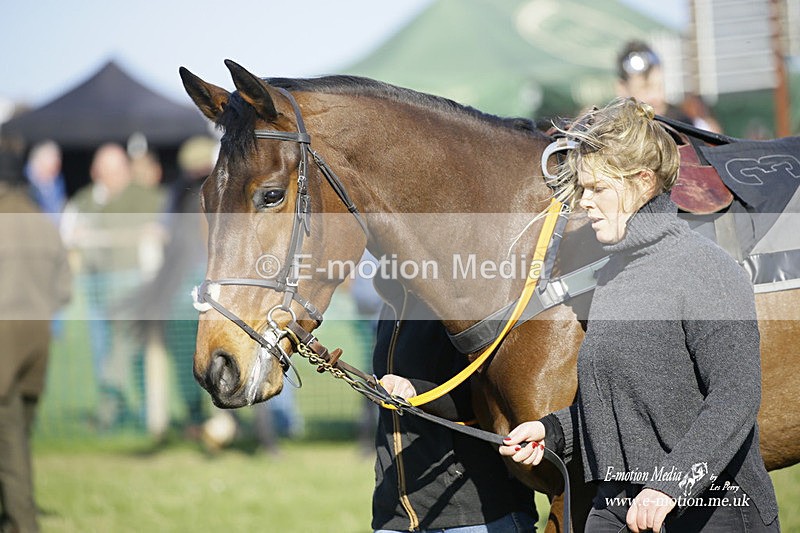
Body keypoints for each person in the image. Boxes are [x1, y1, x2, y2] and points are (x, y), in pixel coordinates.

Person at [499, 98, 779, 532]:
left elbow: (735, 398)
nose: (585, 204)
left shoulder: (705, 269)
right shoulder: (611, 275)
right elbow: (618, 404)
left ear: (643, 182)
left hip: (715, 509)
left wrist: (669, 485)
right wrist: (551, 432)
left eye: (597, 189)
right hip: (616, 504)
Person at [371, 273, 537, 532]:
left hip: (476, 516)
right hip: (393, 516)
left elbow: (494, 398)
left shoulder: (471, 299)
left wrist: (417, 391)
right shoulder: (392, 304)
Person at [61, 143, 164, 429]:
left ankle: (120, 414)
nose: (115, 176)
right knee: (104, 352)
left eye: (119, 170)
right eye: (108, 171)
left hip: (135, 292)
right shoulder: (84, 201)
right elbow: (68, 235)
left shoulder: (148, 198)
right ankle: (120, 413)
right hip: (96, 291)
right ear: (96, 172)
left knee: (125, 354)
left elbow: (162, 229)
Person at [0, 135, 72, 533]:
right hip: (38, 340)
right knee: (18, 438)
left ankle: (22, 523)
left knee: (8, 443)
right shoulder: (45, 223)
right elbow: (65, 290)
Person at [615, 40, 692, 125]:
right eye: (644, 88)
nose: (656, 97)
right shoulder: (609, 134)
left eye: (660, 87)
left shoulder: (684, 127)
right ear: (622, 89)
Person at [24, 139, 67, 224]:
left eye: (58, 158)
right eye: (53, 158)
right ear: (39, 160)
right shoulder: (22, 182)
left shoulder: (58, 181)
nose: (58, 162)